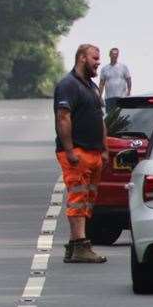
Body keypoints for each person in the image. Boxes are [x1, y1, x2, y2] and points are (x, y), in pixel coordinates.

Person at [54, 44, 109, 264]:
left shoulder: (92, 87)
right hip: (77, 151)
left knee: (87, 199)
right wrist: (69, 150)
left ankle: (73, 245)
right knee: (78, 198)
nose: (98, 62)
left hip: (94, 153)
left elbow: (100, 119)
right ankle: (80, 246)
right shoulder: (68, 85)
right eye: (95, 58)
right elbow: (63, 117)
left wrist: (104, 148)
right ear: (82, 58)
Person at [99, 47, 131, 113]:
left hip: (121, 97)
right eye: (113, 54)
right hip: (109, 98)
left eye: (116, 54)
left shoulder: (123, 67)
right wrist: (99, 96)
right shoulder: (104, 69)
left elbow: (128, 79)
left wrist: (128, 91)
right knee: (110, 116)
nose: (115, 55)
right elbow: (101, 83)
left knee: (121, 115)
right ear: (110, 55)